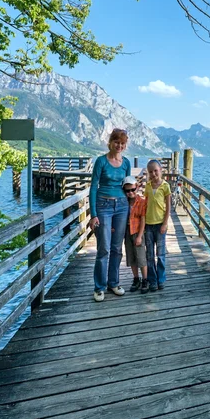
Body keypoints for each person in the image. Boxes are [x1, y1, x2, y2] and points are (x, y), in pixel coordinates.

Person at [89, 128, 132, 302]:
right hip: (103, 205)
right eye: (116, 142)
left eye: (122, 143)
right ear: (110, 143)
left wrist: (133, 205)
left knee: (116, 247)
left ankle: (113, 283)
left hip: (122, 206)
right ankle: (99, 287)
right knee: (104, 247)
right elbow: (93, 187)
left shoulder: (126, 163)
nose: (119, 146)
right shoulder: (101, 161)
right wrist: (93, 214)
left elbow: (128, 186)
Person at [144, 159, 171, 292]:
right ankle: (152, 280)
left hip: (160, 223)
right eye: (150, 171)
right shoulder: (148, 186)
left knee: (160, 254)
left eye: (155, 170)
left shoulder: (165, 186)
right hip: (148, 224)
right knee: (149, 254)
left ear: (161, 170)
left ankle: (161, 279)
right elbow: (146, 204)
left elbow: (168, 207)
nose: (153, 173)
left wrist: (165, 223)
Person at [122, 176, 149, 294]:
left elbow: (143, 219)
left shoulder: (141, 202)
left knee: (141, 257)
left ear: (137, 188)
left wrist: (139, 236)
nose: (130, 193)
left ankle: (145, 279)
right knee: (131, 256)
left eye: (132, 189)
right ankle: (136, 278)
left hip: (137, 231)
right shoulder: (123, 202)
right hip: (127, 231)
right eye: (127, 191)